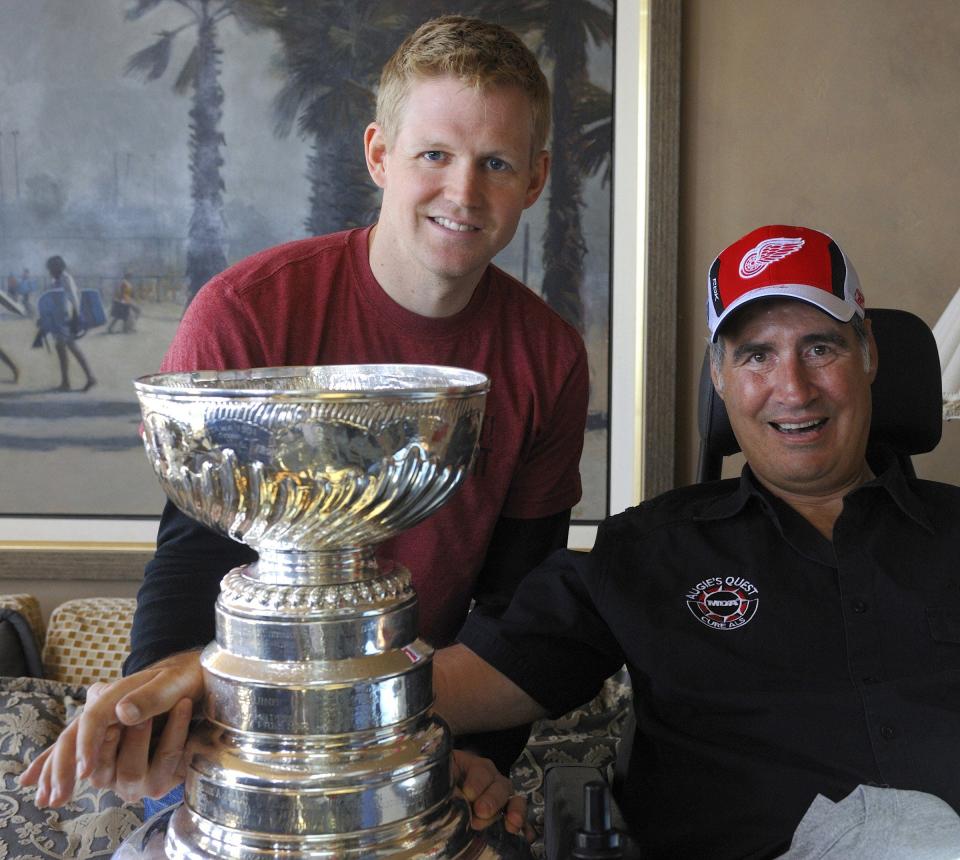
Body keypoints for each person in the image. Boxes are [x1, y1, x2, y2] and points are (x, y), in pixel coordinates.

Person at [20, 13, 587, 824]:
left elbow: (517, 604)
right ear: (379, 157)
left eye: (494, 163)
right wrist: (156, 723)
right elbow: (193, 558)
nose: (463, 192)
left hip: (417, 732)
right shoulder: (246, 315)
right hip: (238, 735)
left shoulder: (550, 357)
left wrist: (471, 755)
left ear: (534, 180)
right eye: (434, 154)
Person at [424, 225, 960, 858]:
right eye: (756, 355)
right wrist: (430, 755)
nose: (793, 388)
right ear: (719, 375)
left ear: (867, 354)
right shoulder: (648, 551)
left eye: (820, 348)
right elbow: (447, 691)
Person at [41, 255, 97, 392]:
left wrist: (76, 317)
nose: (49, 271)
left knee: (70, 348)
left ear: (57, 267)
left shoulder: (66, 279)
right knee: (63, 350)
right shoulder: (57, 280)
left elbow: (73, 297)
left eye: (51, 268)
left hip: (66, 319)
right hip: (58, 319)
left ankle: (88, 378)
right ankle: (67, 381)